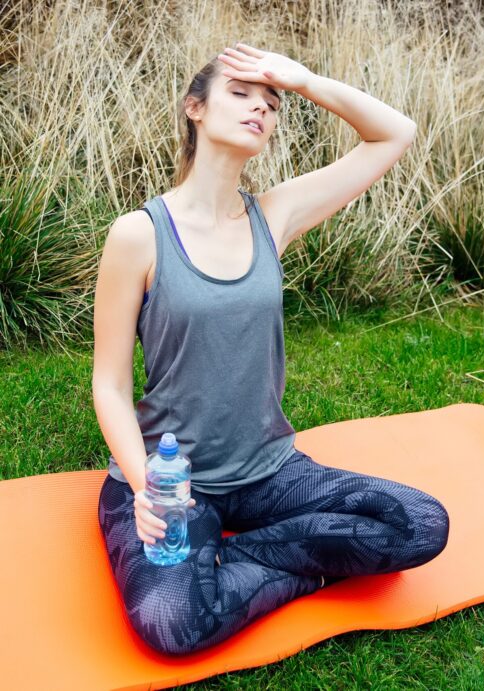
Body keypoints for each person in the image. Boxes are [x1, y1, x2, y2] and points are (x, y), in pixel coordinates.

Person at [91, 43, 448, 656]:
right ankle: (301, 561)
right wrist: (145, 485)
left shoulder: (274, 216)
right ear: (195, 108)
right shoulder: (139, 234)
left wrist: (304, 81)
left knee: (419, 523)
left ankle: (235, 561)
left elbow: (395, 134)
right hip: (173, 481)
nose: (260, 107)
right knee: (171, 624)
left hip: (270, 474)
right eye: (240, 93)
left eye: (272, 103)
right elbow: (110, 385)